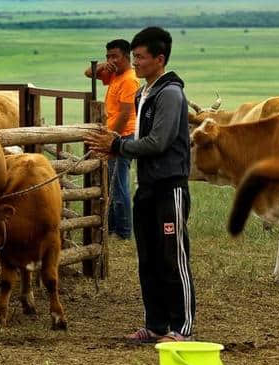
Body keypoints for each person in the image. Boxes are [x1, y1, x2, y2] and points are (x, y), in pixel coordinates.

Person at [84, 27, 195, 343]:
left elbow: (158, 142)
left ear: (160, 59)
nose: (136, 62)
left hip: (169, 187)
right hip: (146, 184)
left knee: (173, 256)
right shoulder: (143, 92)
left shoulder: (170, 94)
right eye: (135, 56)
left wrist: (117, 146)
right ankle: (156, 325)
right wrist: (117, 142)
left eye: (141, 57)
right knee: (147, 257)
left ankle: (182, 328)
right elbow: (139, 138)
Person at [84, 39, 139, 240]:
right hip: (115, 135)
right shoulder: (115, 75)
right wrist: (102, 66)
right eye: (108, 56)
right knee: (112, 183)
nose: (111, 60)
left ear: (127, 57)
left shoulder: (129, 79)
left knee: (119, 185)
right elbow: (88, 73)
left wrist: (109, 138)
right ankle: (114, 228)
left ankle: (123, 232)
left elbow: (125, 114)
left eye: (115, 56)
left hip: (122, 136)